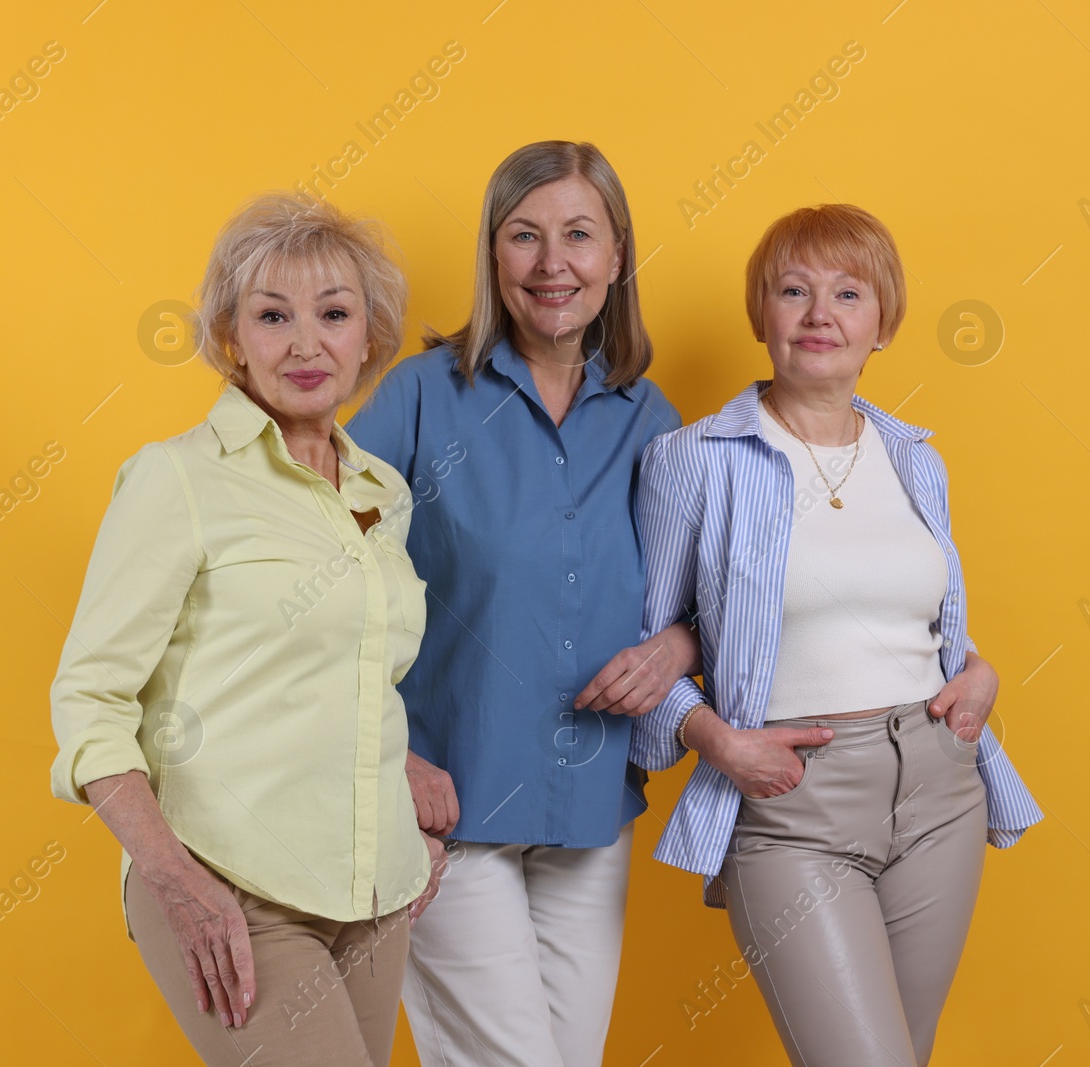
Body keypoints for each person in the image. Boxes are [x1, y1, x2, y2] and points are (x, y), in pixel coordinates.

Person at [632, 203, 1043, 1066]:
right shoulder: (694, 460)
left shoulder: (916, 458)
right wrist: (718, 740)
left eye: (848, 293)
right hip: (793, 806)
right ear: (763, 316)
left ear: (882, 323)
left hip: (940, 790)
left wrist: (982, 673)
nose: (820, 315)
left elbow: (926, 625)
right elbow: (641, 657)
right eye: (794, 291)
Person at [49, 194, 445, 1066]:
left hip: (375, 892)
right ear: (232, 335)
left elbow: (345, 665)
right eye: (273, 316)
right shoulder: (177, 479)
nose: (306, 344)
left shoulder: (381, 490)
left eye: (334, 314)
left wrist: (403, 796)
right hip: (227, 882)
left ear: (370, 336)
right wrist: (175, 879)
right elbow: (89, 696)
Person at [347, 140, 697, 1067]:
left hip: (590, 808)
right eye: (524, 236)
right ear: (492, 254)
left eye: (579, 235)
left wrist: (677, 647)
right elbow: (317, 576)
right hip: (445, 806)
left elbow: (712, 591)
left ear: (617, 256)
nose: (553, 264)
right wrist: (395, 753)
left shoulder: (648, 418)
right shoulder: (421, 397)